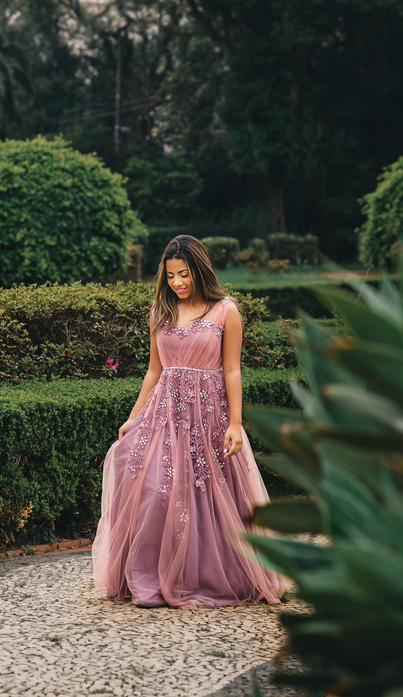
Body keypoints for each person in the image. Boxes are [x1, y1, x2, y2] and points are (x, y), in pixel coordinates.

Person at [91, 235, 286, 608]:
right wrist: (133, 418)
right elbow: (153, 371)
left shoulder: (226, 310)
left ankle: (208, 575)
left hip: (209, 415)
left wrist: (234, 422)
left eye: (184, 275)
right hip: (163, 413)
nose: (177, 283)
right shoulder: (160, 311)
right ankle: (151, 575)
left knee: (206, 497)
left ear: (199, 270)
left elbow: (231, 370)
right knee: (151, 488)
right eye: (170, 276)